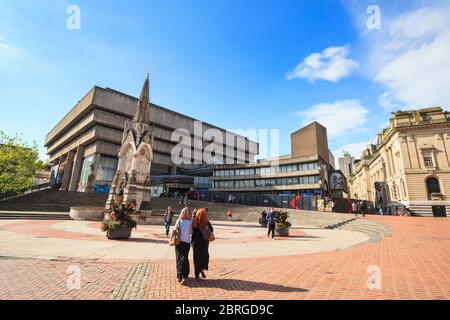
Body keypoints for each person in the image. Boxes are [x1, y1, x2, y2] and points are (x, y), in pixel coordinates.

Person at [192, 208, 213, 280]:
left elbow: (192, 230)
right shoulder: (206, 222)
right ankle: (202, 269)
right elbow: (212, 229)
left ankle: (197, 274)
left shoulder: (195, 221)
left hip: (196, 242)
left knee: (197, 258)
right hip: (204, 242)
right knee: (204, 256)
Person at [174, 207, 193, 285]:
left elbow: (174, 230)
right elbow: (191, 232)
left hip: (179, 242)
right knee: (185, 258)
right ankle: (185, 275)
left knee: (178, 258)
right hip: (187, 242)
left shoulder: (179, 221)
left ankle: (179, 275)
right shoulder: (190, 222)